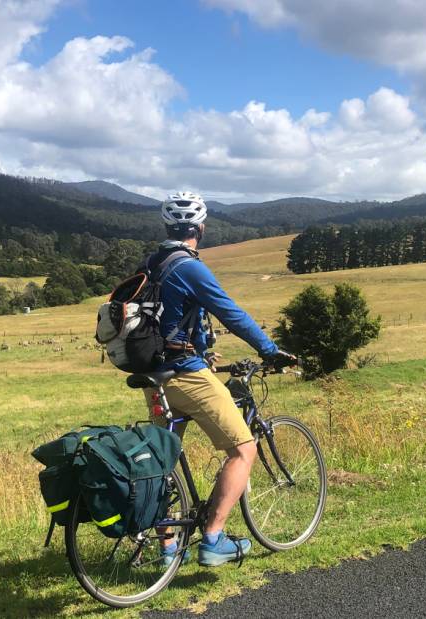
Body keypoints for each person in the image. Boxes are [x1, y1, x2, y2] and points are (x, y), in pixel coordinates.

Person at [142, 191, 296, 567]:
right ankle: (213, 540)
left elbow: (169, 317)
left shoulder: (153, 263)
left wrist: (201, 347)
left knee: (164, 460)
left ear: (167, 226)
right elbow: (232, 313)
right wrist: (270, 349)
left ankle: (167, 549)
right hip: (184, 376)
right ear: (201, 228)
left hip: (154, 376)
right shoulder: (189, 266)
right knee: (244, 450)